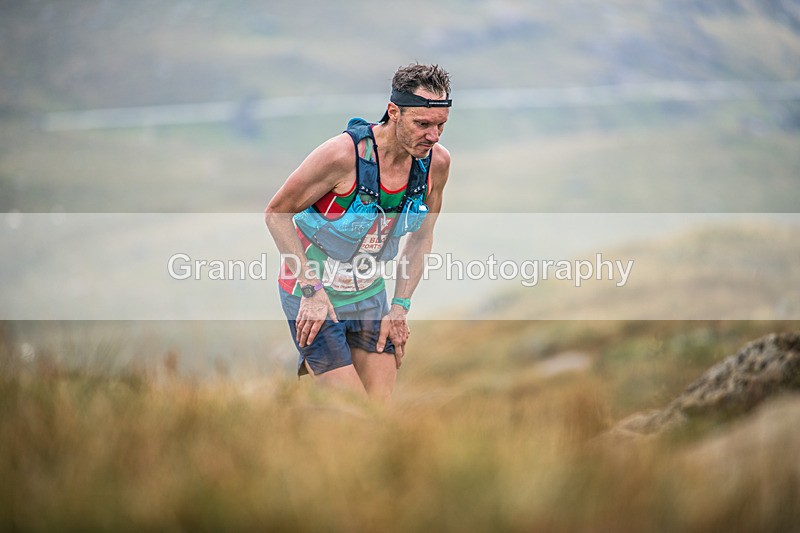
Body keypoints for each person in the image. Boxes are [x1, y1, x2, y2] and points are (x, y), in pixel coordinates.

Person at [264, 63, 452, 402]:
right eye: (422, 124)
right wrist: (311, 291)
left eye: (441, 125)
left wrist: (400, 307)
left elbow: (422, 236)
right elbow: (277, 213)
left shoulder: (436, 163)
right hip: (311, 295)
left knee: (378, 415)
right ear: (394, 112)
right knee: (352, 414)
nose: (433, 136)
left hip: (369, 296)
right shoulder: (341, 155)